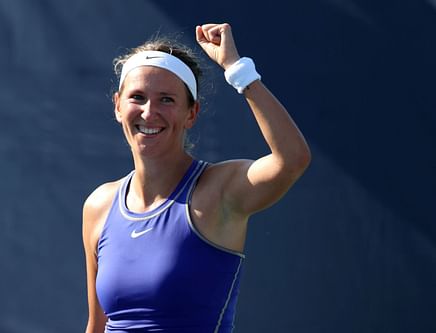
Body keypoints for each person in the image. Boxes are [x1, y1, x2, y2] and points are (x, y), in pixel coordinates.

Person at [82, 23, 311, 332]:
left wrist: (238, 70)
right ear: (118, 107)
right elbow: (97, 326)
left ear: (192, 113)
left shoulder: (219, 190)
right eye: (137, 97)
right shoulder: (99, 204)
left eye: (166, 99)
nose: (149, 113)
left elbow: (292, 159)